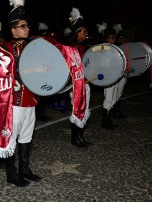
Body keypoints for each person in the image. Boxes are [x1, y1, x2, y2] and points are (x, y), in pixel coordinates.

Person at [0, 0, 42, 187]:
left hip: (30, 99)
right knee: (11, 138)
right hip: (13, 102)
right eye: (23, 26)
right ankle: (12, 174)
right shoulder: (4, 48)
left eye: (27, 25)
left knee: (26, 136)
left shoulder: (31, 47)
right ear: (13, 30)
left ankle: (25, 169)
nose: (27, 29)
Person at [62, 7, 91, 148]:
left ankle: (80, 135)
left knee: (84, 108)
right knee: (77, 108)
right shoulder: (69, 47)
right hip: (75, 84)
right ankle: (75, 137)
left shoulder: (82, 46)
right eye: (84, 31)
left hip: (84, 82)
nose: (86, 34)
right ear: (78, 32)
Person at [97, 22, 126, 130]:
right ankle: (105, 121)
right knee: (108, 98)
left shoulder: (115, 48)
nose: (114, 39)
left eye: (115, 37)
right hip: (108, 77)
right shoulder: (102, 49)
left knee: (113, 98)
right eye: (112, 37)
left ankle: (108, 119)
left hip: (115, 76)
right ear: (107, 39)